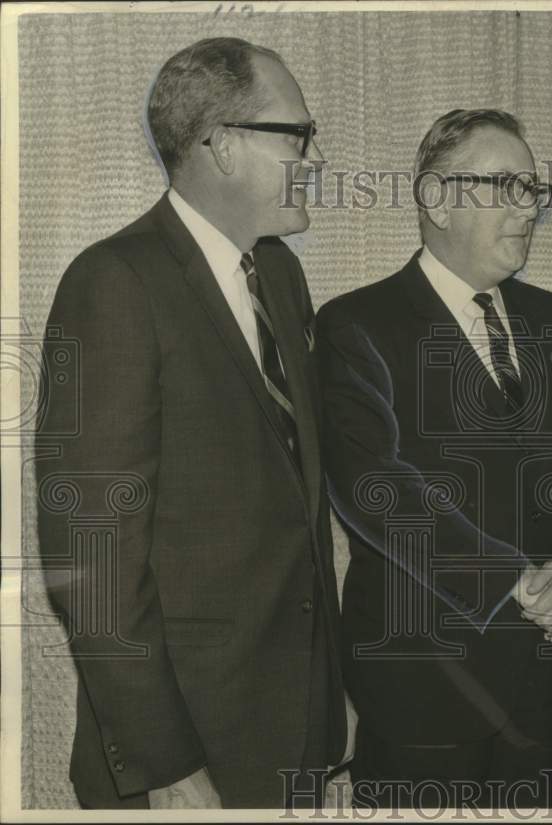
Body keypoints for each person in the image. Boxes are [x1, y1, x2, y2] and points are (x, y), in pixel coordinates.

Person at [35, 37, 350, 809]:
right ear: (221, 145)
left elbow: (297, 517)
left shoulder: (279, 272)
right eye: (298, 134)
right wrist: (166, 765)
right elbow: (94, 556)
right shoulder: (111, 282)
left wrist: (328, 694)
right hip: (186, 756)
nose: (314, 157)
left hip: (294, 730)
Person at [316, 109, 552, 810]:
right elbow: (373, 487)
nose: (527, 209)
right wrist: (516, 580)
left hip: (542, 688)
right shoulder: (355, 324)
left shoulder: (551, 317)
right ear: (436, 198)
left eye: (534, 190)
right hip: (423, 690)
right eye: (505, 185)